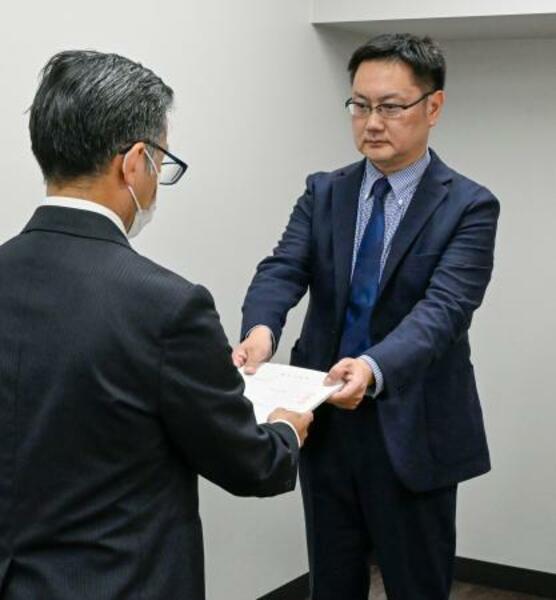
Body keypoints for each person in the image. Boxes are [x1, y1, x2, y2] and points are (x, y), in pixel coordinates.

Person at [0, 50, 313, 600]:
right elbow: (250, 465)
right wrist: (286, 430)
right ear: (134, 162)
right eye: (161, 162)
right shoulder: (168, 306)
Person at [233, 33, 500, 599]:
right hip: (324, 419)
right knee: (332, 583)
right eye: (359, 105)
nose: (372, 123)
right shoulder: (325, 191)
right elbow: (283, 267)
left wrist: (373, 368)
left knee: (416, 585)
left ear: (433, 107)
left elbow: (445, 310)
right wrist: (260, 331)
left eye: (390, 107)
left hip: (413, 425)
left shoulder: (469, 205)